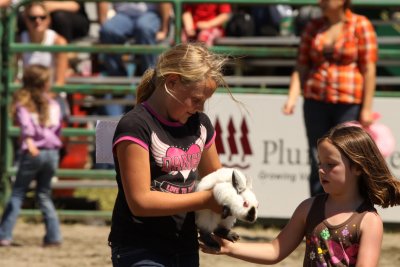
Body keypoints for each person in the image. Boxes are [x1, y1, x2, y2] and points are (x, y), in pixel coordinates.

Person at [201, 124, 400, 266]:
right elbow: (275, 250)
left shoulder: (369, 221)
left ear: (357, 167)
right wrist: (230, 248)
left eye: (331, 165)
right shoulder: (309, 208)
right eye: (320, 164)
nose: (322, 171)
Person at [108, 43, 229, 266]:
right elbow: (140, 201)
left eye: (204, 101)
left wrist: (226, 209)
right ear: (172, 82)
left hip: (184, 246)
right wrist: (205, 200)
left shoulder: (200, 125)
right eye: (196, 99)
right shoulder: (135, 125)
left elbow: (216, 181)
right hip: (140, 248)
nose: (200, 108)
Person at [282, 0, 378, 196]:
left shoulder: (361, 24)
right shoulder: (313, 26)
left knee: (348, 157)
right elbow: (301, 65)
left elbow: (369, 68)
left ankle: (348, 208)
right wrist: (292, 97)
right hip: (315, 101)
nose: (321, 2)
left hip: (348, 103)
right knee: (316, 156)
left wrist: (366, 107)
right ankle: (318, 210)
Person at [0, 64, 63, 247]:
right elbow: (57, 127)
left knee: (18, 192)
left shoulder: (23, 104)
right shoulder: (53, 104)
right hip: (52, 153)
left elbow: (26, 127)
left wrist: (28, 142)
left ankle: (4, 234)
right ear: (45, 84)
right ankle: (53, 236)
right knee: (43, 194)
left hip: (33, 151)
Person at [96, 2, 172, 117]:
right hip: (123, 15)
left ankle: (150, 79)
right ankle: (119, 81)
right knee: (108, 30)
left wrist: (164, 29)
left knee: (144, 28)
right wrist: (103, 23)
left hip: (149, 14)